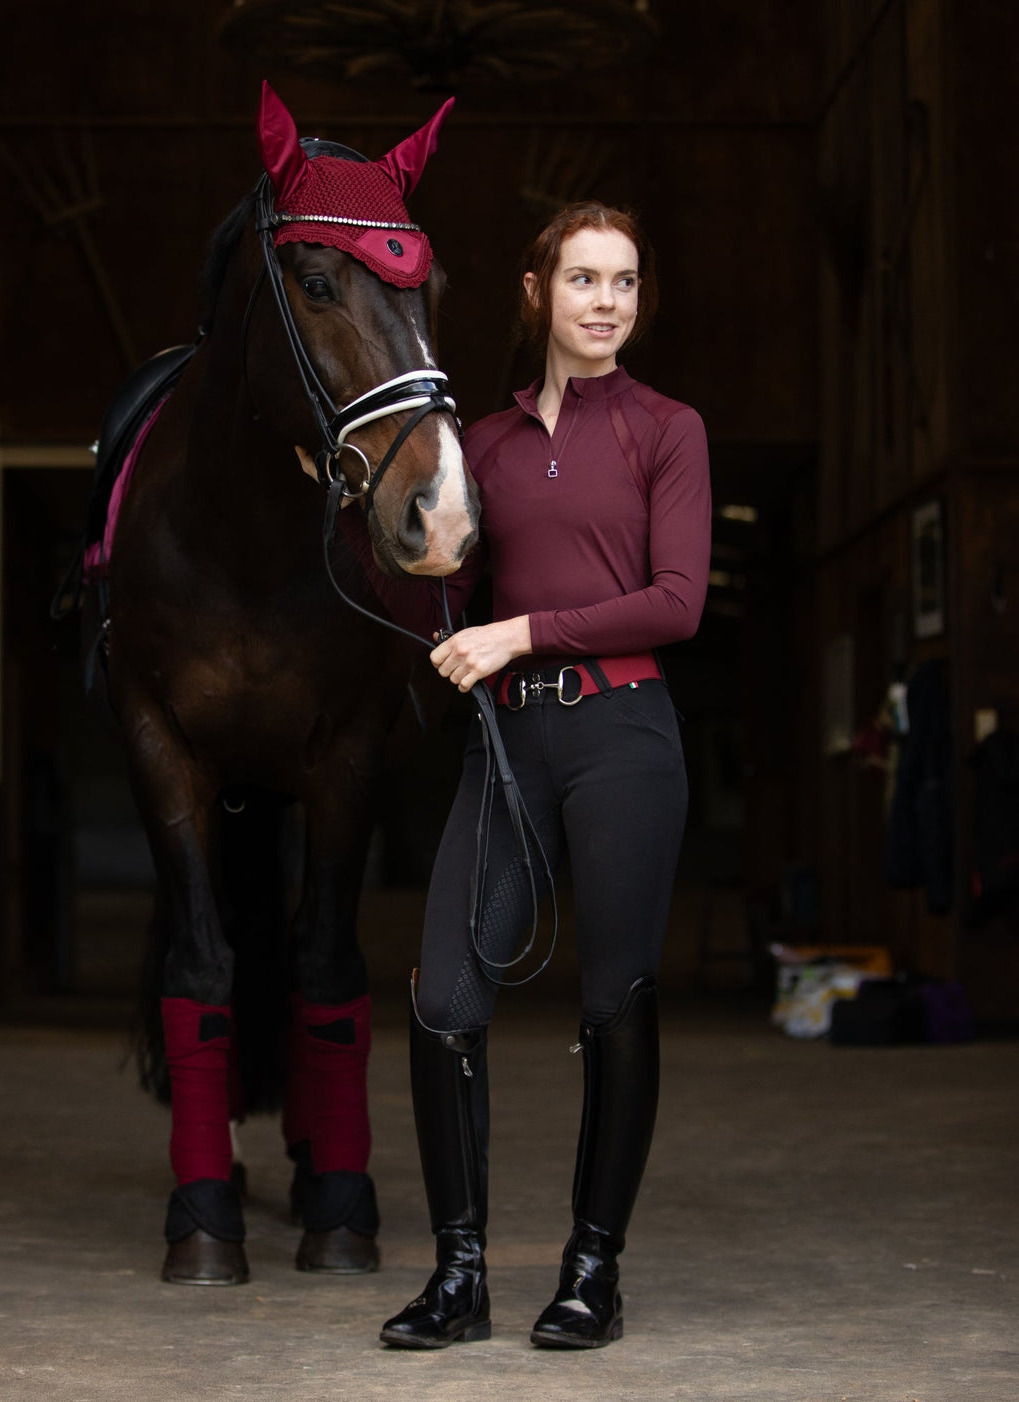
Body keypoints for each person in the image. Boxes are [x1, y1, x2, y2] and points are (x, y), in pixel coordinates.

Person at [344, 200, 710, 1349]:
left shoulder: (666, 427)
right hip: (509, 744)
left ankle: (589, 1272)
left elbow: (675, 600)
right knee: (443, 999)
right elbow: (435, 585)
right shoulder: (485, 443)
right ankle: (460, 1278)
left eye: (626, 281)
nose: (606, 302)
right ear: (535, 291)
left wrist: (519, 634)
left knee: (614, 1002)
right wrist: (361, 497)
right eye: (585, 280)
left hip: (623, 738)